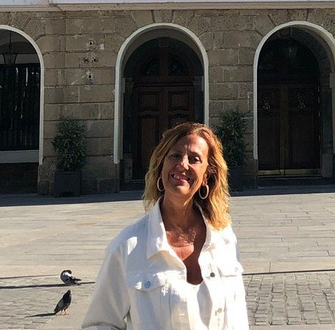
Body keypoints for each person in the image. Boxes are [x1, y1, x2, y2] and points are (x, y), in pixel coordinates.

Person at [82, 122, 249, 329]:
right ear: (161, 166)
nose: (183, 164)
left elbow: (238, 317)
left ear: (207, 175)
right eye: (175, 156)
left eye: (195, 159)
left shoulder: (224, 239)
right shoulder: (128, 247)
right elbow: (100, 323)